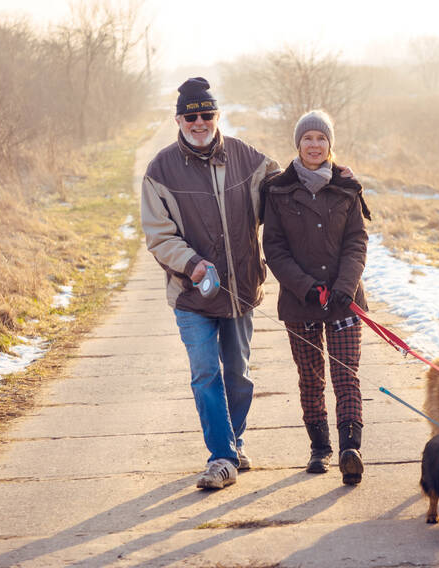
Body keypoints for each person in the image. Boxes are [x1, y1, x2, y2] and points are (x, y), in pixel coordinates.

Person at [140, 77, 280, 490]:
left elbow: (286, 199)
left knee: (238, 374)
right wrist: (191, 263)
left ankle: (233, 444)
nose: (198, 122)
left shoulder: (248, 158)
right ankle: (220, 457)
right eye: (190, 116)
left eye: (206, 114)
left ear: (217, 115)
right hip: (192, 294)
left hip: (240, 291)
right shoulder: (159, 169)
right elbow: (158, 234)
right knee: (205, 374)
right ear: (179, 119)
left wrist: (326, 175)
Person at [261, 110, 371, 485]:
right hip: (300, 301)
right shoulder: (278, 190)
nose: (314, 145)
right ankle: (319, 448)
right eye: (307, 138)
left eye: (321, 139)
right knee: (310, 378)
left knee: (346, 374)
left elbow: (357, 240)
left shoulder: (347, 186)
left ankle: (350, 449)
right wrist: (305, 286)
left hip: (344, 300)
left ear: (330, 145)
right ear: (298, 144)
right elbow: (273, 248)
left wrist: (344, 286)